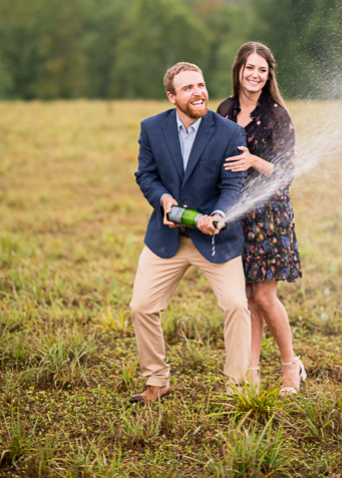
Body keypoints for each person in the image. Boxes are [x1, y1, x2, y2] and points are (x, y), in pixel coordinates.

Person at [128, 62, 250, 403]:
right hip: (166, 240)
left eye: (200, 85)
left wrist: (220, 214)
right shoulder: (152, 128)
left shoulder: (229, 132)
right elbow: (146, 176)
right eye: (188, 88)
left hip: (215, 240)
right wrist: (164, 201)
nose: (198, 92)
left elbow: (234, 184)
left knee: (237, 307)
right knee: (141, 307)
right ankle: (157, 381)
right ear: (172, 96)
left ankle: (237, 389)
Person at [216, 41, 305, 395]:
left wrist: (254, 161)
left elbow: (287, 171)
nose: (255, 75)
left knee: (266, 297)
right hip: (237, 212)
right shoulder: (224, 110)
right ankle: (250, 372)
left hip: (269, 214)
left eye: (262, 70)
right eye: (249, 67)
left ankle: (290, 366)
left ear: (268, 76)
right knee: (249, 296)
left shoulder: (276, 115)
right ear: (238, 69)